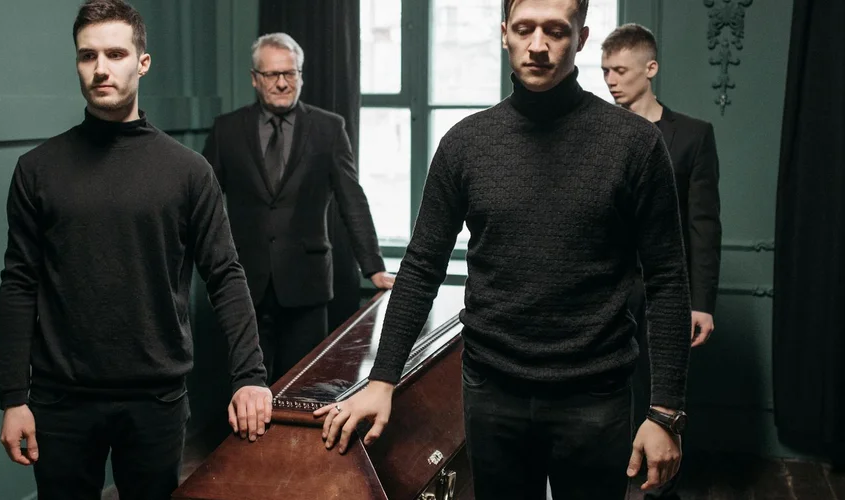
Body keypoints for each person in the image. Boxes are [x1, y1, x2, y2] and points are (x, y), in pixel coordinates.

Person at [315, 0, 693, 498]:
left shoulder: (635, 144)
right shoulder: (465, 144)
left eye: (556, 30)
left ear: (580, 38)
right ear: (503, 34)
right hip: (492, 392)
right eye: (525, 29)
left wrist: (665, 412)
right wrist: (383, 379)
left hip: (594, 395)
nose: (538, 45)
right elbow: (422, 266)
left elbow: (667, 278)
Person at [0, 1, 272, 498]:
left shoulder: (187, 171)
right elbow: (19, 283)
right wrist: (13, 397)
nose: (100, 68)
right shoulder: (37, 169)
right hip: (60, 402)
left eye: (116, 53)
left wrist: (251, 375)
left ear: (142, 62)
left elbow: (225, 274)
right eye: (87, 56)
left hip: (155, 399)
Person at [201, 32, 395, 384]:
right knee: (245, 388)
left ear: (301, 76)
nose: (282, 83)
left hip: (307, 284)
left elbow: (352, 199)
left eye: (290, 74)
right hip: (243, 283)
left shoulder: (328, 128)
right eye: (272, 75)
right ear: (255, 79)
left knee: (304, 387)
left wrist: (374, 267)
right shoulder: (226, 130)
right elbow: (202, 204)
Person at [602, 22, 723, 499]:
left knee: (662, 394)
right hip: (606, 290)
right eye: (605, 70)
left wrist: (703, 301)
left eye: (621, 70)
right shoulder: (601, 133)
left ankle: (655, 488)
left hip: (665, 291)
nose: (611, 80)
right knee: (607, 395)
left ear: (650, 69)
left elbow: (704, 224)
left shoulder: (693, 135)